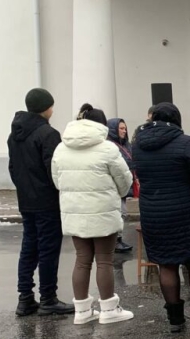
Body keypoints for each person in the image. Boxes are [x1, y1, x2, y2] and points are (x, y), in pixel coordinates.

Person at [133, 103, 190, 332]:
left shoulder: (138, 146)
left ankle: (175, 320)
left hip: (153, 214)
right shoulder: (187, 143)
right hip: (185, 213)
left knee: (166, 264)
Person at [51, 104, 134, 324]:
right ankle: (108, 309)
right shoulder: (107, 149)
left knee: (82, 260)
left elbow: (57, 181)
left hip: (75, 212)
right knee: (105, 261)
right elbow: (125, 182)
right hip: (103, 211)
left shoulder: (61, 148)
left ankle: (82, 311)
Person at [7, 88, 74, 317]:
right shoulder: (48, 134)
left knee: (29, 248)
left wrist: (25, 190)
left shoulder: (14, 133)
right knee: (48, 249)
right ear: (46, 108)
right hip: (46, 201)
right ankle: (48, 298)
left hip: (26, 200)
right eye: (51, 106)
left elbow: (13, 169)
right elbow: (54, 170)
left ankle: (25, 298)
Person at [107, 116, 135, 253]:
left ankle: (117, 240)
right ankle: (115, 241)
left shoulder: (126, 145)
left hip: (124, 185)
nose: (124, 131)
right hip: (115, 186)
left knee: (122, 213)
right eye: (121, 128)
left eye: (125, 128)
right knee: (120, 213)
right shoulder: (111, 146)